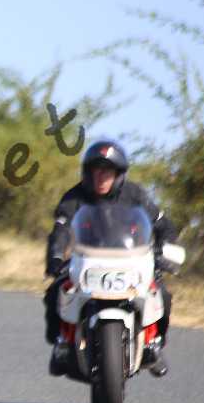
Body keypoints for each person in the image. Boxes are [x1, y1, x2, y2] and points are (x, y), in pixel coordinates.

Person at [44, 139, 177, 377]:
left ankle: (154, 344)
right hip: (87, 259)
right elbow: (60, 230)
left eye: (108, 172)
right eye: (96, 171)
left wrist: (164, 251)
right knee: (55, 291)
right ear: (87, 173)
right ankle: (61, 344)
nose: (101, 177)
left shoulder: (135, 194)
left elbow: (163, 225)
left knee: (162, 294)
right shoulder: (74, 197)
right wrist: (55, 256)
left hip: (131, 260)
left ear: (118, 174)